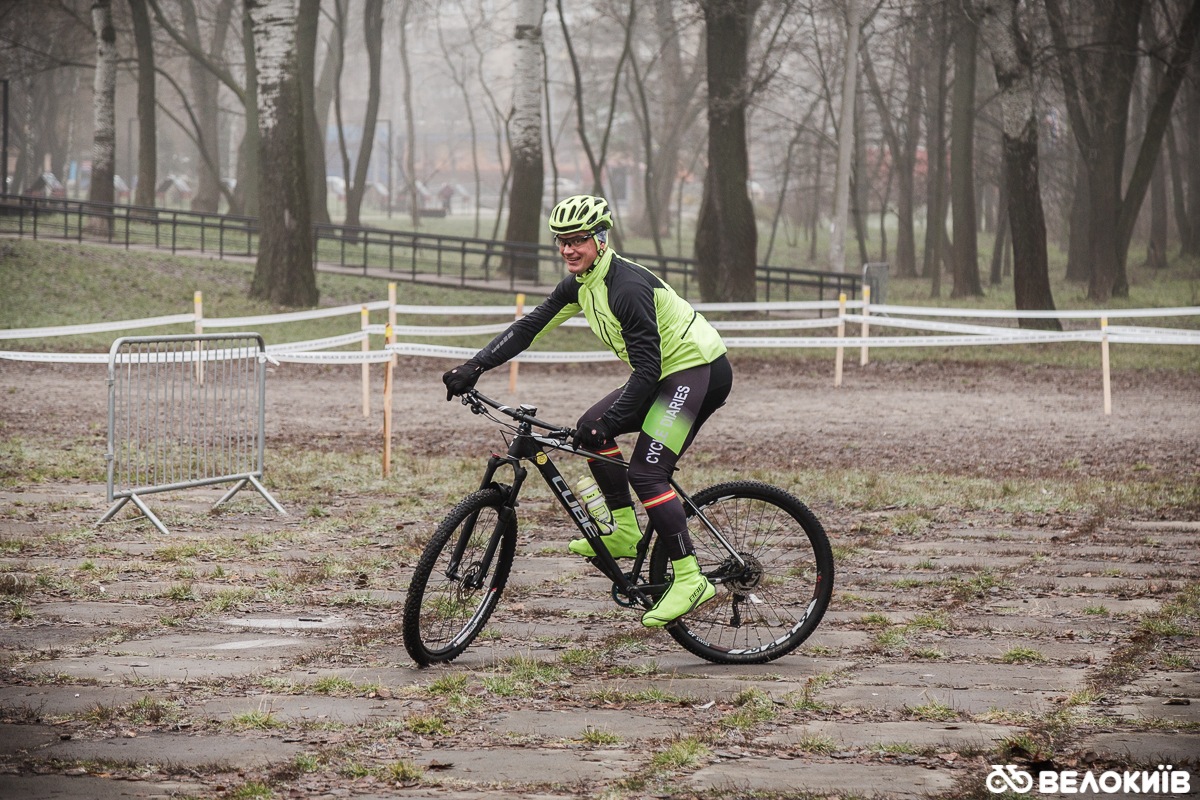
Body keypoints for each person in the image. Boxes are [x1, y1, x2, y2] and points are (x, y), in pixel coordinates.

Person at [442, 195, 733, 628]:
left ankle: (690, 579)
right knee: (589, 428)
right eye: (561, 241)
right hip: (660, 374)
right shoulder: (581, 284)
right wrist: (475, 366)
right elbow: (529, 327)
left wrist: (609, 422)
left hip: (697, 370)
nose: (568, 249)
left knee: (646, 472)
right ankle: (625, 531)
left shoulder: (626, 287)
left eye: (577, 240)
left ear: (600, 239)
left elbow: (648, 369)